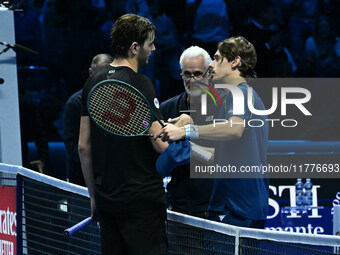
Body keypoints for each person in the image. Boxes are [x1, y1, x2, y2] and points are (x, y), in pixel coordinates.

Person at [157, 36, 269, 230]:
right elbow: (224, 155)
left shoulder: (240, 93)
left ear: (235, 61)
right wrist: (190, 144)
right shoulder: (242, 95)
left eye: (217, 59)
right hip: (245, 204)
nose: (213, 65)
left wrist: (186, 131)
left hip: (236, 206)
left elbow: (235, 128)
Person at [78, 14, 168, 255]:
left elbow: (83, 147)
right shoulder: (141, 84)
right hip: (142, 202)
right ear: (135, 47)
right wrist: (185, 132)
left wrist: (94, 197)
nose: (154, 48)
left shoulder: (92, 83)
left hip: (107, 199)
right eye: (150, 43)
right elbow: (161, 145)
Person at [160, 46, 221, 218]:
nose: (192, 80)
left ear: (209, 73)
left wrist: (188, 138)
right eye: (187, 74)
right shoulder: (167, 109)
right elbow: (158, 161)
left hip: (215, 210)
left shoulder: (225, 108)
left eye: (197, 74)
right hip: (179, 209)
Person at [63, 53, 113, 186]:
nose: (103, 79)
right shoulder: (75, 103)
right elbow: (72, 145)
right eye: (99, 74)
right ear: (91, 73)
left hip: (113, 177)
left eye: (108, 75)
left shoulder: (120, 101)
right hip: (80, 179)